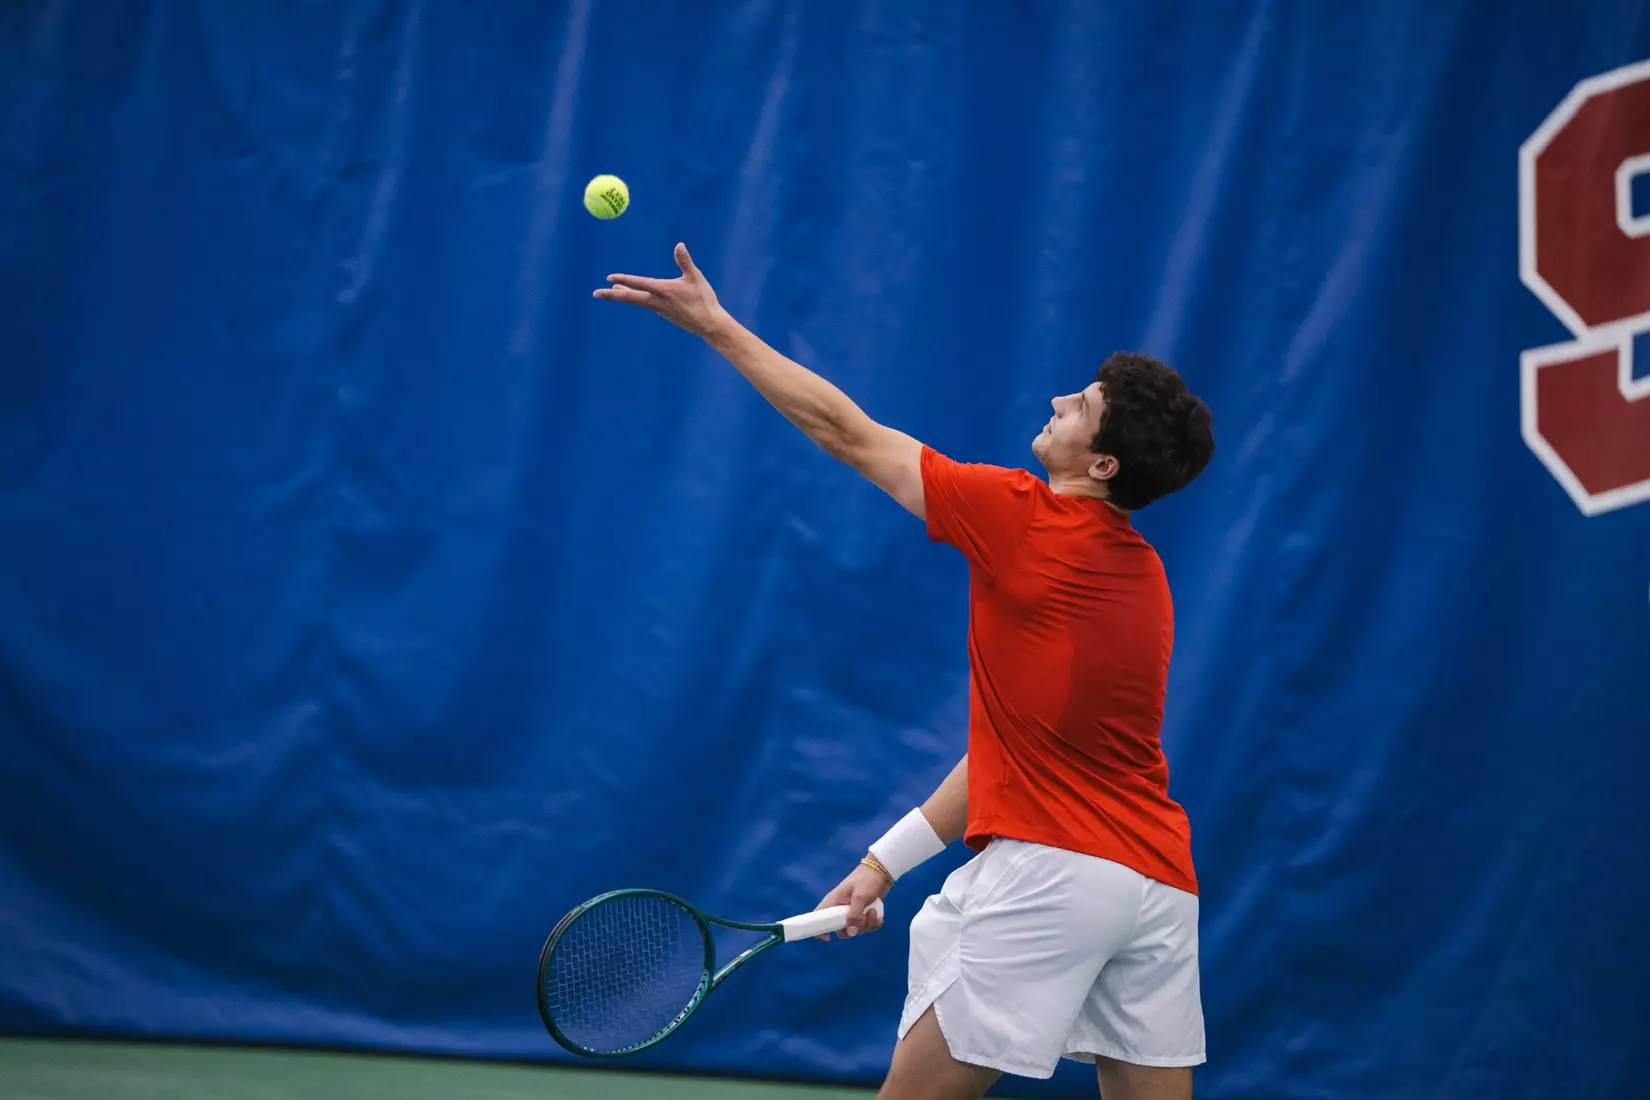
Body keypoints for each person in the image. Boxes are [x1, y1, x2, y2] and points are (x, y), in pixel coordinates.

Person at [595, 244, 1216, 1100]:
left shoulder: (1023, 518)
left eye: (1081, 406)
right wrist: (885, 862)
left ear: (1101, 463)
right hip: (1156, 888)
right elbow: (1021, 754)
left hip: (1053, 879)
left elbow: (845, 433)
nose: (1058, 400)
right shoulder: (1145, 578)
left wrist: (716, 325)